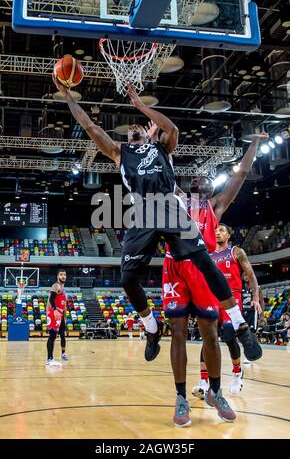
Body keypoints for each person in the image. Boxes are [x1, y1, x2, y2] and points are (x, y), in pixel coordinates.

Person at [54, 76, 259, 367]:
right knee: (127, 279)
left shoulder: (162, 148)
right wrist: (68, 96)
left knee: (204, 261)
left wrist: (140, 104)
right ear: (126, 138)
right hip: (143, 212)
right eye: (131, 128)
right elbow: (90, 126)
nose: (135, 126)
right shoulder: (118, 152)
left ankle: (239, 324)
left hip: (169, 206)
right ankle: (151, 326)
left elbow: (172, 128)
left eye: (139, 124)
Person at [161, 132, 267, 426]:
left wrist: (255, 143)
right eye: (195, 177)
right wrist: (158, 140)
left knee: (210, 333)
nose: (200, 178)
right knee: (178, 332)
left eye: (206, 177)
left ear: (211, 188)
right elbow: (163, 167)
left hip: (203, 269)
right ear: (190, 185)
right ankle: (181, 397)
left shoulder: (216, 206)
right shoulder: (178, 198)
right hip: (175, 266)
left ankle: (216, 392)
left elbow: (242, 172)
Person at [192, 224, 262, 399]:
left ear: (229, 235)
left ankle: (237, 373)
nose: (217, 232)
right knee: (208, 337)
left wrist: (255, 297)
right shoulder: (207, 255)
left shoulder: (236, 251)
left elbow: (251, 275)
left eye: (222, 230)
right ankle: (203, 382)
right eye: (215, 230)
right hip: (211, 297)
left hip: (232, 297)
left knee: (230, 335)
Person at [46, 269, 68, 366]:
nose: (63, 276)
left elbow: (64, 305)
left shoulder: (62, 288)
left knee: (55, 336)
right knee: (52, 336)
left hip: (60, 313)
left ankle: (52, 358)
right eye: (61, 274)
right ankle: (49, 359)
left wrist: (64, 316)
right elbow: (51, 299)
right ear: (57, 276)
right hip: (54, 312)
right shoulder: (56, 285)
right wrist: (54, 310)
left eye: (64, 275)